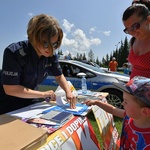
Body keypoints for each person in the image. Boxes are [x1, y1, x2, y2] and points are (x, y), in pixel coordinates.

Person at [0, 14, 76, 115]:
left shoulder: (51, 55)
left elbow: (59, 75)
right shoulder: (14, 52)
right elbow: (11, 89)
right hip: (7, 103)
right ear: (33, 38)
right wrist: (43, 94)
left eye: (55, 44)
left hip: (30, 99)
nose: (50, 49)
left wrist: (68, 92)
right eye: (45, 44)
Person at [84, 76, 150, 149]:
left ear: (145, 112)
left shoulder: (147, 142)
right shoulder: (129, 117)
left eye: (126, 102)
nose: (122, 104)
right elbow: (112, 109)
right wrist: (97, 102)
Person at [122, 4, 150, 79]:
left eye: (135, 26)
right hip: (133, 89)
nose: (132, 32)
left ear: (148, 20)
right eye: (128, 29)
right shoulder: (133, 40)